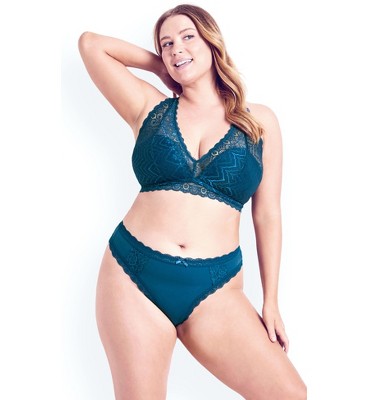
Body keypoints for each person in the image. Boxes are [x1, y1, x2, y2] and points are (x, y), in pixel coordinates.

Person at [78, 4, 306, 400]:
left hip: (215, 287)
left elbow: (267, 214)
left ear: (212, 42)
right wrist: (161, 67)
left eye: (188, 37)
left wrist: (271, 301)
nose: (176, 48)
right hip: (133, 274)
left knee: (289, 393)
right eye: (166, 44)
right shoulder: (149, 107)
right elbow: (90, 44)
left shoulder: (260, 121)